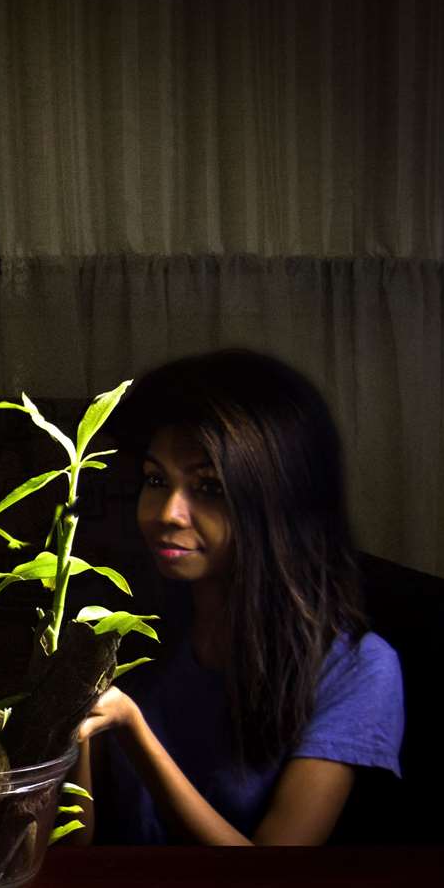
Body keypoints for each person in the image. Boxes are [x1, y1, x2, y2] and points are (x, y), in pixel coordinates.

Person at [74, 349, 404, 845]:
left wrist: (133, 731)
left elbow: (269, 878)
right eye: (156, 480)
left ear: (275, 502)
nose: (168, 512)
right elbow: (79, 847)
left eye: (208, 487)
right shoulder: (135, 633)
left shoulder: (356, 669)